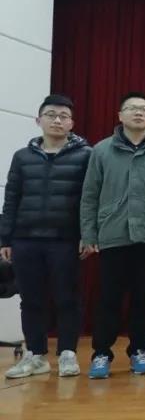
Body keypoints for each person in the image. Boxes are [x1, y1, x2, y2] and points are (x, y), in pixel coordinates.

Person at [81, 92, 145, 379]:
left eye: (144, 108)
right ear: (120, 116)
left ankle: (139, 350)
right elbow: (90, 195)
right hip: (112, 234)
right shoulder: (101, 151)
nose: (138, 112)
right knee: (109, 297)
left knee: (143, 298)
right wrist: (88, 233)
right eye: (132, 108)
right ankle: (101, 353)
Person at [1, 95, 91, 379]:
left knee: (67, 298)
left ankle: (67, 353)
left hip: (65, 239)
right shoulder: (22, 157)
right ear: (38, 120)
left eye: (64, 116)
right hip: (25, 239)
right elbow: (11, 198)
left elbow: (90, 199)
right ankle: (36, 355)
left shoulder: (86, 155)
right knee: (30, 299)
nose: (57, 120)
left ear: (72, 123)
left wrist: (87, 234)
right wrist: (5, 239)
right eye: (51, 115)